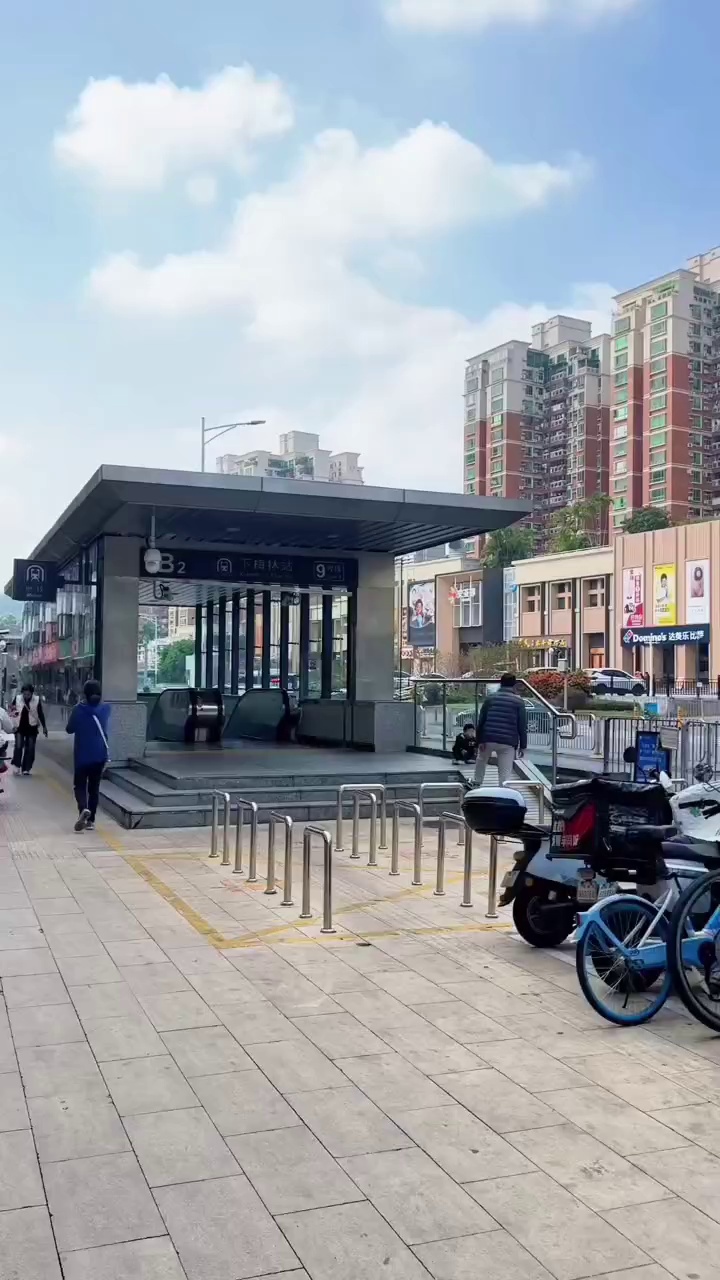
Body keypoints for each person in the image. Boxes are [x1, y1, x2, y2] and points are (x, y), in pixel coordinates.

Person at [66, 679, 111, 832]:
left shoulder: (78, 710)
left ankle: (83, 809)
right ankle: (91, 821)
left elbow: (69, 729)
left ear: (85, 693)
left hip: (82, 756)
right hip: (99, 755)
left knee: (80, 786)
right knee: (94, 788)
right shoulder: (106, 709)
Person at [474, 673, 527, 787]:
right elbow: (522, 725)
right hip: (508, 741)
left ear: (501, 683)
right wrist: (523, 746)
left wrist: (479, 740)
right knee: (505, 771)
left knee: (481, 759)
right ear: (514, 685)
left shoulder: (490, 698)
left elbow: (481, 720)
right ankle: (503, 789)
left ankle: (477, 783)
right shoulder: (518, 701)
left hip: (488, 738)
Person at [10, 683, 47, 776]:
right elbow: (12, 710)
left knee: (30, 748)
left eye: (28, 694)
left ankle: (26, 768)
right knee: (18, 746)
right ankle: (17, 766)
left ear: (32, 693)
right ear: (22, 693)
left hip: (32, 727)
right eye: (25, 694)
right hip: (19, 726)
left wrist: (44, 727)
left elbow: (40, 713)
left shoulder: (36, 700)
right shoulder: (17, 698)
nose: (26, 696)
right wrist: (13, 720)